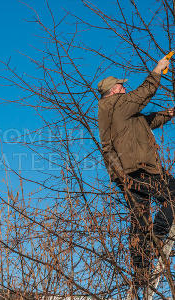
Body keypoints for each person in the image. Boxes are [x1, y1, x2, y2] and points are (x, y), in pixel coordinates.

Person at [97, 56, 175, 287]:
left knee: (139, 219)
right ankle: (158, 236)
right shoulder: (116, 104)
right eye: (120, 86)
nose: (124, 87)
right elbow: (143, 94)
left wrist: (168, 114)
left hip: (126, 174)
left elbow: (143, 121)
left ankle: (141, 273)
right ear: (112, 91)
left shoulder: (115, 113)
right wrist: (158, 70)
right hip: (141, 168)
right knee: (172, 195)